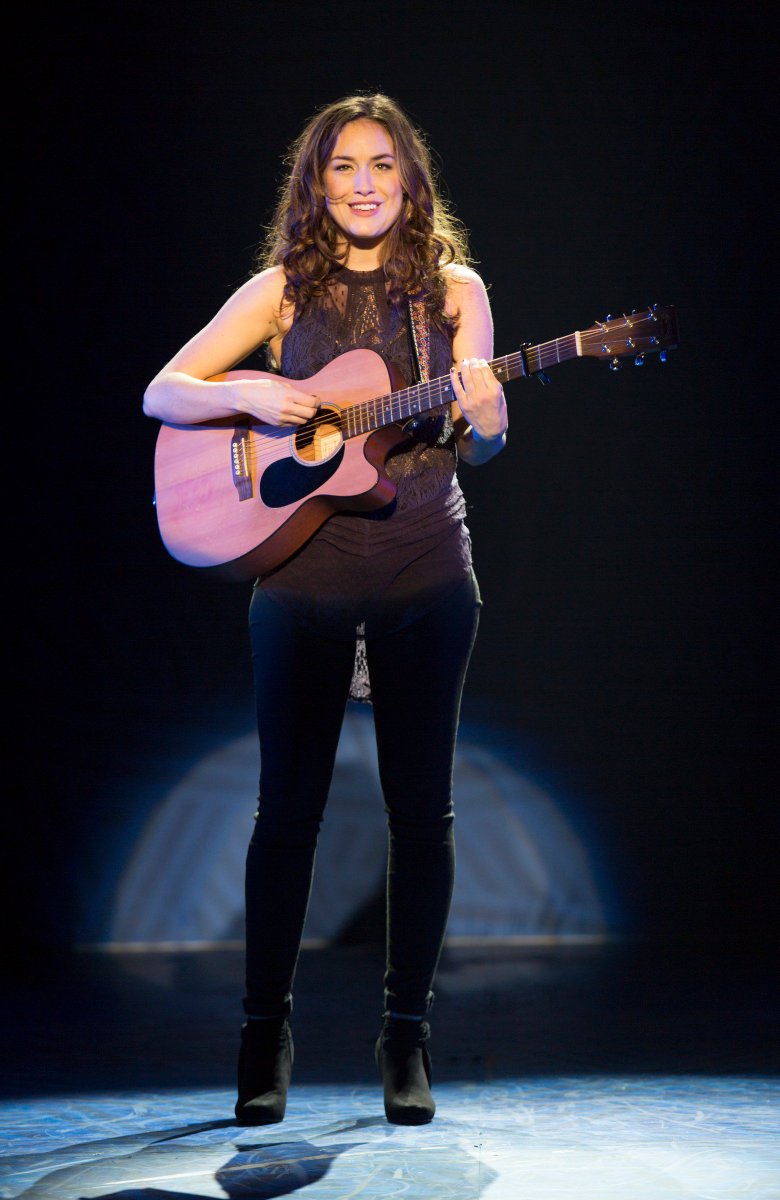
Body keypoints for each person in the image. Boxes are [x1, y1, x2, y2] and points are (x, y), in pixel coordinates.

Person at [143, 92, 507, 1127]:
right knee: (287, 815)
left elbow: (483, 440)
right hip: (301, 579)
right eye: (343, 165)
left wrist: (488, 417)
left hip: (425, 570)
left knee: (421, 813)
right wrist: (250, 394)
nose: (363, 183)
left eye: (382, 164)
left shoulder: (454, 291)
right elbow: (162, 392)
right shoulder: (281, 291)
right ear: (317, 183)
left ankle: (406, 1039)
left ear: (410, 181)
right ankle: (264, 1037)